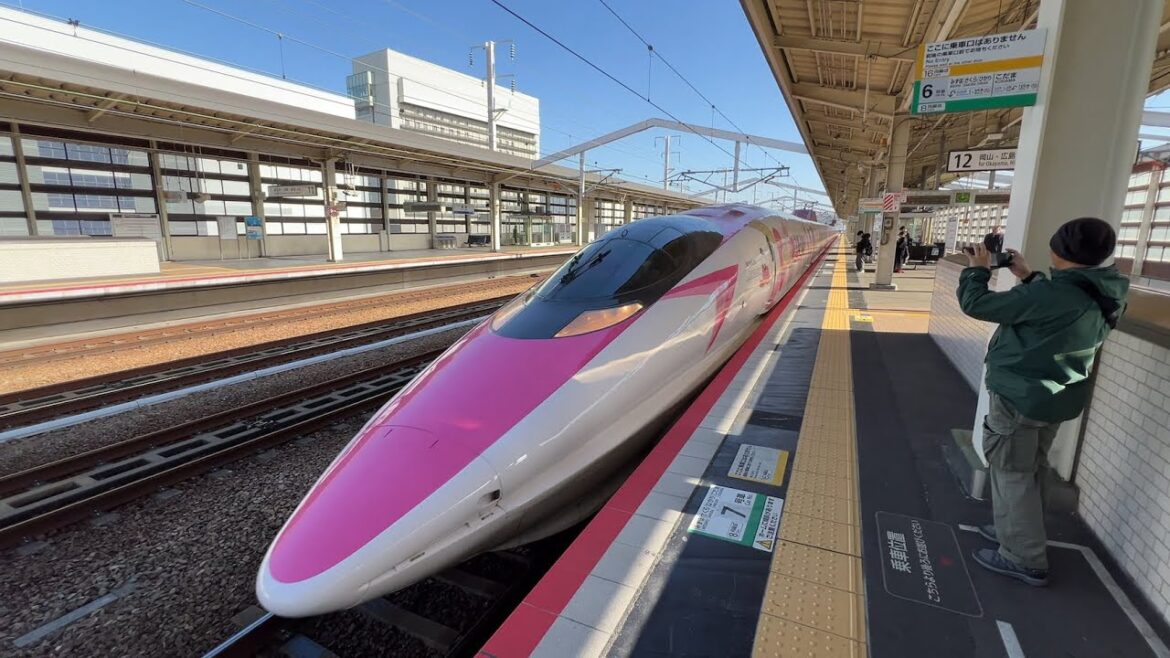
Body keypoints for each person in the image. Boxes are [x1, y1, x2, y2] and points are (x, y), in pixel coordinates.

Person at [957, 217, 1128, 587]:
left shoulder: (1050, 295)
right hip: (1057, 397)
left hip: (1021, 397)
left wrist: (977, 271)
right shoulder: (1109, 287)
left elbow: (976, 304)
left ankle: (1023, 557)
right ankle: (1015, 532)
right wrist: (1030, 276)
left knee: (1011, 471)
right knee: (1031, 469)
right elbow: (1056, 312)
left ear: (1057, 250)